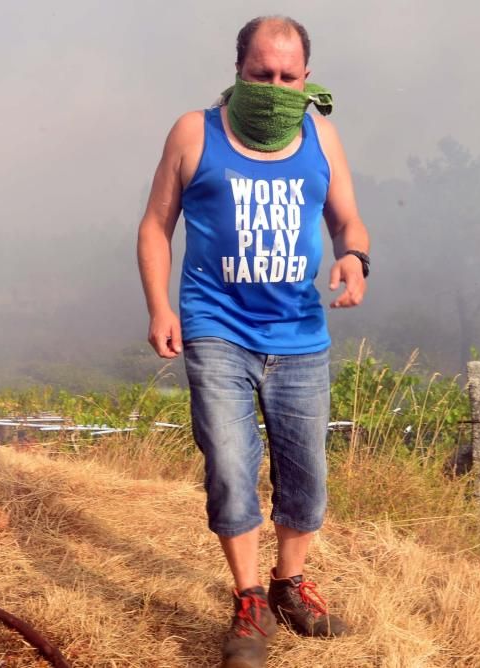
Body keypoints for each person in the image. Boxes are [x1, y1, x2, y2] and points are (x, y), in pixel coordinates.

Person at [136, 15, 370, 668]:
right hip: (217, 328)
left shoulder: (320, 135)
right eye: (261, 74)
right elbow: (156, 226)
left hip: (300, 336)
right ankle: (248, 602)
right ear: (237, 70)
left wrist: (355, 259)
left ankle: (289, 587)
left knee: (308, 477)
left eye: (287, 77)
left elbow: (350, 221)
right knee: (231, 467)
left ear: (307, 79)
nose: (274, 86)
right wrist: (161, 307)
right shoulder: (195, 132)